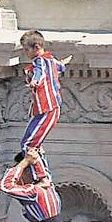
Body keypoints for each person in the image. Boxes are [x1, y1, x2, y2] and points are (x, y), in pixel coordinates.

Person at [18, 30, 69, 158]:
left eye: (26, 50)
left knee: (28, 145)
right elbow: (61, 67)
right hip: (48, 107)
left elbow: (39, 72)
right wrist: (63, 63)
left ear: (36, 47)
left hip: (47, 107)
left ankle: (41, 176)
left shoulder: (39, 60)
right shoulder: (50, 59)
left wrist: (34, 81)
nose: (26, 53)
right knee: (32, 144)